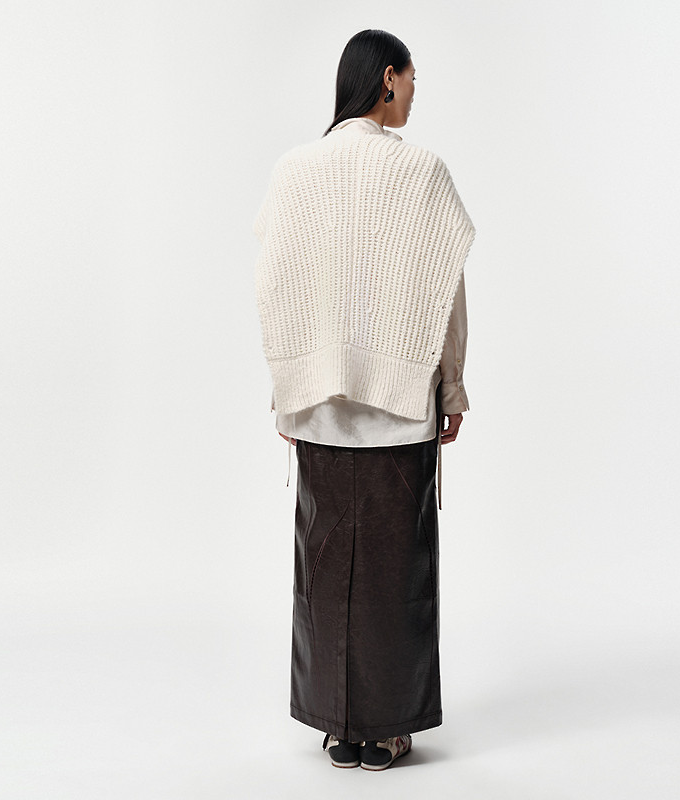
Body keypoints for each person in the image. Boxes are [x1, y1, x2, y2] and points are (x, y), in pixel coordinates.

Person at [252, 29, 476, 771]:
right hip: (399, 405)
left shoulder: (294, 170)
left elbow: (274, 282)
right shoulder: (422, 172)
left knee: (322, 573)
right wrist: (451, 385)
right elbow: (445, 294)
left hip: (319, 407)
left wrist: (289, 389)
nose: (413, 92)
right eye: (411, 79)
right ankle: (385, 731)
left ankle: (337, 727)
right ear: (387, 78)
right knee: (396, 572)